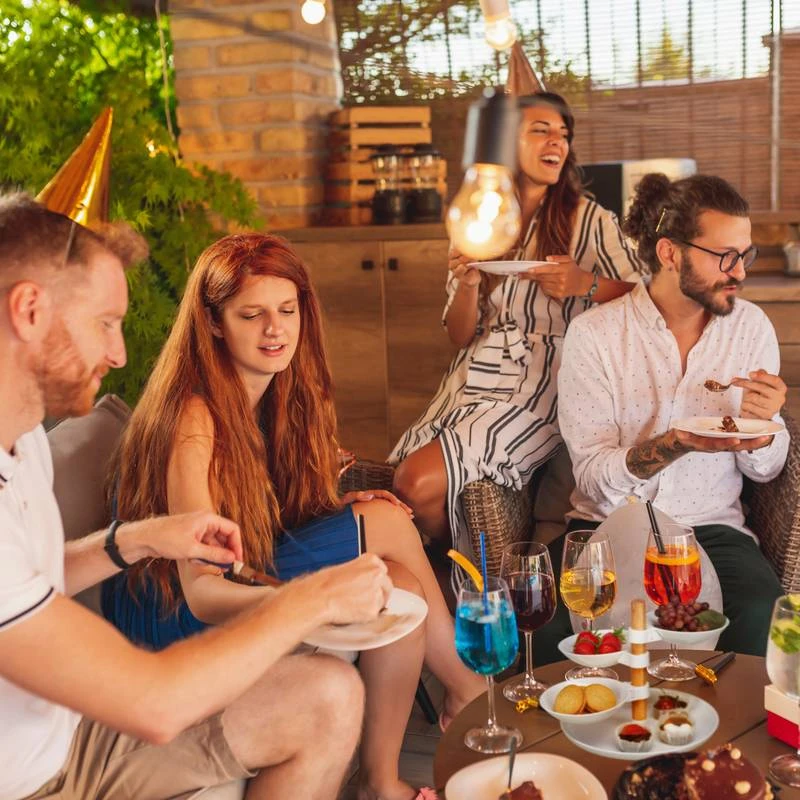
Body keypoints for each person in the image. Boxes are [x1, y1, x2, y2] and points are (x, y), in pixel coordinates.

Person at [0, 192, 393, 800]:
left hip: (70, 734)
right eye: (104, 323)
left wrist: (131, 540)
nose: (119, 354)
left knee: (329, 693)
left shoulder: (23, 440)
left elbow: (29, 577)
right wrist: (314, 597)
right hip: (29, 782)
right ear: (29, 310)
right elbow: (156, 706)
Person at [103, 233, 484, 800]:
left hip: (239, 575)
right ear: (213, 323)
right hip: (168, 618)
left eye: (287, 310)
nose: (274, 329)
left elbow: (256, 518)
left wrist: (335, 514)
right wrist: (316, 598)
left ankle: (379, 782)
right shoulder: (193, 418)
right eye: (251, 315)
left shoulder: (275, 393)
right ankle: (469, 690)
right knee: (384, 526)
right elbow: (202, 590)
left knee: (398, 585)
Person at [536, 173, 788, 664]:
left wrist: (765, 429)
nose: (739, 273)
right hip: (605, 523)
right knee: (546, 631)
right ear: (670, 253)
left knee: (764, 619)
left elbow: (767, 471)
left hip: (711, 528)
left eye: (746, 255)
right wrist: (677, 442)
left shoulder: (751, 328)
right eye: (725, 257)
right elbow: (593, 479)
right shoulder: (595, 336)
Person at [389, 91, 648, 555]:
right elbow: (459, 335)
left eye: (563, 134)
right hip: (470, 380)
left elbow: (648, 297)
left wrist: (585, 283)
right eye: (541, 131)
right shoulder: (480, 215)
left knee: (414, 482)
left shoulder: (589, 219)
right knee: (401, 485)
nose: (557, 142)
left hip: (540, 383)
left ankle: (458, 566)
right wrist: (467, 284)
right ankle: (463, 568)